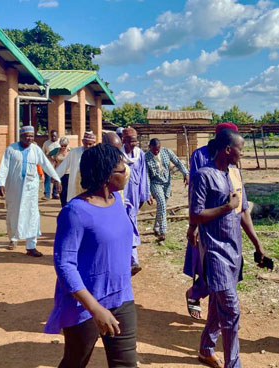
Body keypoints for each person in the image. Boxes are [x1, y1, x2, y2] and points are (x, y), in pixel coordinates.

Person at [45, 144, 137, 368]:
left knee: (125, 364)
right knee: (75, 361)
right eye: (121, 169)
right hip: (85, 304)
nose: (127, 172)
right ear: (106, 176)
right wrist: (95, 308)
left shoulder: (117, 203)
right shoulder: (75, 212)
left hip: (121, 297)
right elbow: (65, 264)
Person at [190, 129, 266, 368]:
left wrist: (257, 244)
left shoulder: (235, 173)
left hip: (234, 249)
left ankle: (205, 349)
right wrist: (226, 207)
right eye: (240, 149)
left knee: (217, 304)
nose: (242, 153)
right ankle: (233, 364)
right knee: (231, 311)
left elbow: (242, 210)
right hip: (214, 252)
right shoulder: (204, 175)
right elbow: (196, 214)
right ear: (227, 150)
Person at [184, 122, 239, 320]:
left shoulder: (233, 159)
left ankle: (219, 315)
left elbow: (238, 192)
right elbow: (195, 193)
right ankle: (196, 295)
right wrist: (194, 225)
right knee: (209, 267)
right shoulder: (200, 156)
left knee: (230, 271)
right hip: (207, 222)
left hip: (229, 225)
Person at [0, 126, 61, 257]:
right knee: (13, 213)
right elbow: (4, 166)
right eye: (27, 136)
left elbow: (46, 164)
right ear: (21, 136)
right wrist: (0, 183)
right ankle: (13, 239)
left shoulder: (36, 149)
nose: (29, 138)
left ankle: (31, 246)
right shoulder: (11, 149)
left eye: (31, 136)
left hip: (31, 188)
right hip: (14, 188)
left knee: (32, 215)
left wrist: (56, 178)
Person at [121, 127, 152, 276]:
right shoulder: (118, 154)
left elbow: (143, 176)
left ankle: (133, 260)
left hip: (133, 196)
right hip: (120, 195)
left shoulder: (140, 154)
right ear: (124, 141)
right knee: (123, 226)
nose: (134, 144)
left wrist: (144, 196)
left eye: (135, 141)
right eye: (131, 141)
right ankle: (128, 259)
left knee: (131, 224)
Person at [145, 138, 188, 241]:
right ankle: (163, 231)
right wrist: (148, 192)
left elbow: (177, 162)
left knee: (161, 206)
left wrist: (185, 173)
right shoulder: (146, 157)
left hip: (166, 184)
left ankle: (156, 227)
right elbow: (146, 176)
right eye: (154, 150)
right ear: (150, 147)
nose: (156, 151)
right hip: (155, 184)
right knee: (162, 204)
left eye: (158, 149)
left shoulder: (166, 152)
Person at [55, 131, 97, 204]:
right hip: (76, 186)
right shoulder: (74, 152)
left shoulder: (97, 154)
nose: (87, 146)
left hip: (90, 186)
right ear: (82, 141)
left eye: (90, 144)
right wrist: (57, 179)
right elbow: (64, 165)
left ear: (94, 143)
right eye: (86, 143)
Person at [49, 137, 71, 208]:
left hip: (69, 173)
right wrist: (53, 161)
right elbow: (48, 154)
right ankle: (63, 205)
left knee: (68, 190)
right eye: (62, 145)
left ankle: (68, 205)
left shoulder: (71, 151)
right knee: (61, 190)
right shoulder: (56, 151)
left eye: (65, 145)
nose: (63, 147)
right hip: (59, 173)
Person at [42, 130, 60, 200]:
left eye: (55, 136)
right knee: (48, 179)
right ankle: (47, 194)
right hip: (49, 164)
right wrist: (48, 156)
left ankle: (55, 194)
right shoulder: (46, 143)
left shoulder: (60, 143)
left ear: (57, 136)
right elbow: (43, 153)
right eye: (52, 136)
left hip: (57, 164)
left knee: (56, 179)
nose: (53, 137)